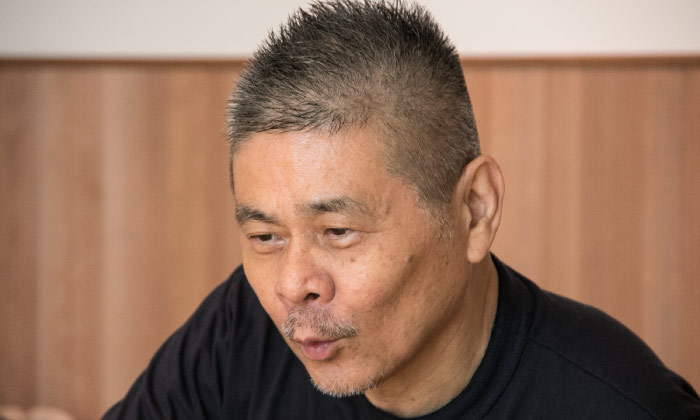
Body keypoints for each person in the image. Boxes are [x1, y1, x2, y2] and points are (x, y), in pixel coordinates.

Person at [103, 1, 700, 419]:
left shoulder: (620, 404)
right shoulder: (243, 334)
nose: (292, 285)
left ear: (475, 211)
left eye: (338, 230)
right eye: (265, 236)